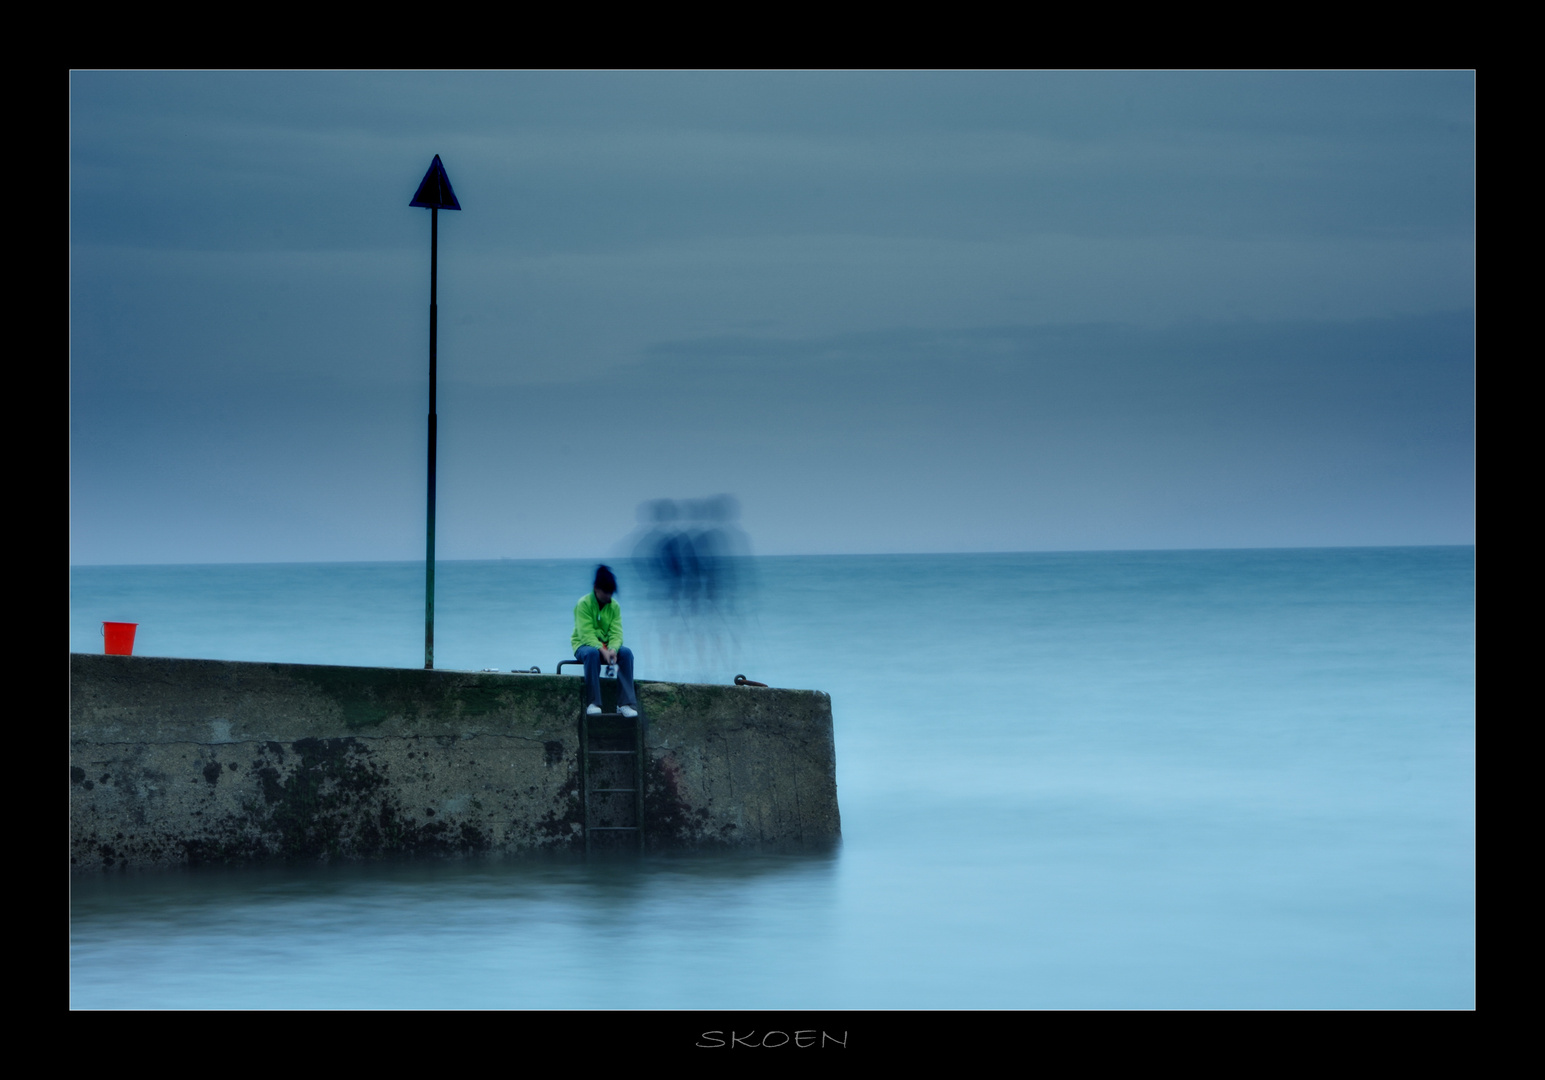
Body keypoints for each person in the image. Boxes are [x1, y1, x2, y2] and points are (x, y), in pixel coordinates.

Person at [572, 564, 638, 718]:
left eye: (610, 593)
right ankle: (593, 703)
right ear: (596, 588)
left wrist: (613, 649)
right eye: (605, 592)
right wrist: (602, 650)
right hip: (583, 645)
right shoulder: (583, 604)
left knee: (626, 653)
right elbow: (585, 633)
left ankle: (624, 704)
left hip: (608, 647)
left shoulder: (614, 606)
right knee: (591, 654)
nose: (608, 596)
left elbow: (617, 631)